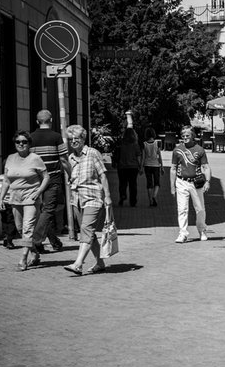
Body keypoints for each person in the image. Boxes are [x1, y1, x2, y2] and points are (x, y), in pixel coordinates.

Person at [63, 124, 113, 275]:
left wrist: (108, 196)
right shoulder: (71, 158)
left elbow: (103, 175)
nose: (73, 141)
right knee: (88, 232)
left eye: (76, 138)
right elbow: (72, 179)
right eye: (71, 139)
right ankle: (100, 262)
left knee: (86, 229)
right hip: (77, 199)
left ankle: (78, 264)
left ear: (83, 138)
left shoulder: (92, 153)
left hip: (93, 197)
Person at [4, 131, 50, 271]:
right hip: (15, 198)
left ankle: (23, 259)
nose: (21, 144)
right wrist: (0, 198)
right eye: (18, 142)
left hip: (31, 198)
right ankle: (34, 252)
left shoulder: (35, 158)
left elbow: (46, 177)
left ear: (29, 144)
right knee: (20, 228)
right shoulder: (10, 158)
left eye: (24, 141)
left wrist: (38, 192)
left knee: (27, 228)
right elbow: (6, 180)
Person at [29, 109, 69, 254]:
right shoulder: (56, 137)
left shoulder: (30, 138)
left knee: (43, 211)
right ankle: (36, 240)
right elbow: (64, 159)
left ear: (37, 121)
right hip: (53, 179)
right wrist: (70, 175)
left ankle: (54, 242)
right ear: (51, 120)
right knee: (48, 210)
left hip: (36, 180)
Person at [170, 126, 211, 243]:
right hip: (181, 182)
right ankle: (183, 233)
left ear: (193, 136)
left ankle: (202, 230)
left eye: (187, 135)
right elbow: (173, 168)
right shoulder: (177, 150)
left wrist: (207, 181)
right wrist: (172, 186)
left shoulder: (199, 150)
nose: (185, 138)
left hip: (196, 183)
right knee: (182, 209)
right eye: (183, 136)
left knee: (200, 209)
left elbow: (206, 167)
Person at [114, 127, 142, 206]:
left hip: (122, 167)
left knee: (122, 183)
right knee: (133, 184)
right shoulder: (135, 145)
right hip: (133, 167)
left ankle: (122, 195)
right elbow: (138, 156)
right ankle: (133, 201)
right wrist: (140, 166)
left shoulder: (121, 144)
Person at [0, 174, 19, 249]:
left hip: (0, 202)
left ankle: (5, 237)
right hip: (9, 202)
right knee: (11, 221)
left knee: (4, 220)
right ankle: (9, 240)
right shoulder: (10, 177)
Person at [142, 127, 163, 207]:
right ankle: (154, 195)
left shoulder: (144, 144)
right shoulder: (157, 143)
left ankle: (150, 200)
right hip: (156, 165)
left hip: (147, 165)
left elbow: (143, 156)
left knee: (149, 183)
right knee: (157, 183)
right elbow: (159, 156)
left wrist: (141, 167)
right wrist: (162, 166)